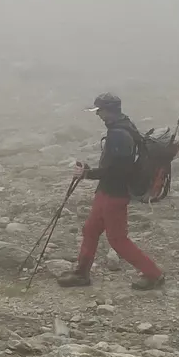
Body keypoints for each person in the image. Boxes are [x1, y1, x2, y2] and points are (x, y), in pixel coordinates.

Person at [59, 93, 165, 291]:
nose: (98, 114)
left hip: (115, 194)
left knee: (117, 240)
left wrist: (88, 174)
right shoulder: (124, 127)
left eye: (100, 110)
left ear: (108, 110)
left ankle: (154, 274)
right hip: (106, 191)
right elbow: (116, 165)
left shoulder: (119, 134)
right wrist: (91, 172)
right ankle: (81, 273)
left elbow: (119, 169)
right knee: (90, 230)